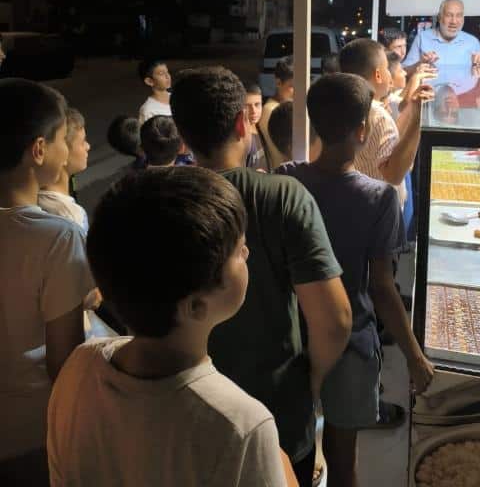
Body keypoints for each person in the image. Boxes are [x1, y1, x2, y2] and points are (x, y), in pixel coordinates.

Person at [48, 167, 297, 487]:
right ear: (195, 306)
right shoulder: (241, 425)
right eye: (238, 251)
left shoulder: (78, 368)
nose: (247, 252)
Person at [171, 66, 352, 485]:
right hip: (276, 415)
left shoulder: (161, 198)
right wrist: (311, 383)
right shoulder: (281, 196)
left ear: (182, 134)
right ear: (243, 122)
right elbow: (336, 320)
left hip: (185, 419)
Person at [279, 73, 434, 487]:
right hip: (350, 343)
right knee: (343, 457)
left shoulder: (286, 179)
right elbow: (382, 287)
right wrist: (415, 356)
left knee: (292, 449)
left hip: (293, 338)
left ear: (314, 123)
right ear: (363, 130)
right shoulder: (379, 197)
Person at [0, 79, 93, 475]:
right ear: (39, 150)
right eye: (60, 140)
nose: (66, 149)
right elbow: (63, 361)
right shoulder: (57, 237)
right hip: (32, 432)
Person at [339, 39, 432, 187]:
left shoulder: (348, 106)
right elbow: (393, 175)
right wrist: (416, 119)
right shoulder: (378, 115)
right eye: (387, 68)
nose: (390, 74)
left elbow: (391, 139)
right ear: (378, 75)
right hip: (379, 198)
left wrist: (413, 105)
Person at [39, 108, 91, 236]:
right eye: (82, 142)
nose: (88, 146)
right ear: (63, 153)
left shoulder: (33, 198)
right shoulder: (72, 217)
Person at [403, 0, 480, 72]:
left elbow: (479, 76)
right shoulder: (422, 38)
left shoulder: (473, 42)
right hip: (429, 88)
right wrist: (420, 64)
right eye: (449, 15)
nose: (454, 21)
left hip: (461, 88)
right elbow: (405, 72)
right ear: (439, 17)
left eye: (459, 15)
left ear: (463, 19)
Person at [259, 57, 294, 169]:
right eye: (292, 86)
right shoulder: (271, 111)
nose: (299, 90)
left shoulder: (289, 107)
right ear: (279, 82)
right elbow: (277, 158)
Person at [137, 59, 172, 125]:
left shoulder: (178, 98)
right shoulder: (148, 110)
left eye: (167, 72)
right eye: (161, 74)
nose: (167, 76)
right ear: (149, 81)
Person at [244, 83, 269, 171]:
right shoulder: (240, 138)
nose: (254, 111)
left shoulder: (260, 126)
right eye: (247, 106)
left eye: (257, 104)